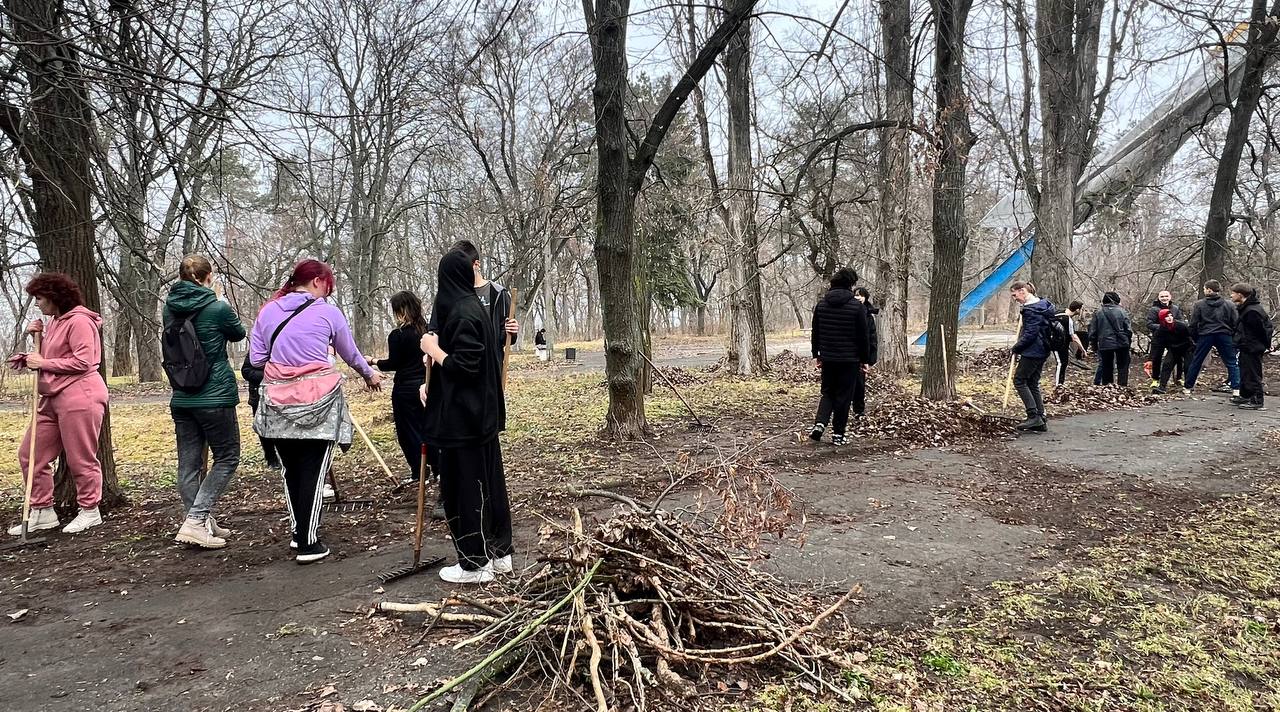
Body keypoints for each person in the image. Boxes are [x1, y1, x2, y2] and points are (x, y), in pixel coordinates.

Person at [248, 259, 382, 564]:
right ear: (318, 281)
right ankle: (309, 544)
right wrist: (369, 375)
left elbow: (256, 359)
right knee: (313, 471)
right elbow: (350, 353)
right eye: (328, 286)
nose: (327, 292)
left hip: (278, 403)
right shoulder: (328, 313)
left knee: (291, 471)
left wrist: (285, 361)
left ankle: (299, 534)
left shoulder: (268, 311)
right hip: (319, 402)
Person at [421, 249, 513, 584]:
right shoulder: (474, 307)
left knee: (464, 488)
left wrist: (434, 351)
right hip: (481, 416)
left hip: (464, 420)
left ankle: (474, 564)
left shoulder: (462, 313)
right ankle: (499, 554)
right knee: (489, 484)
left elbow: (466, 367)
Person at [5, 273, 109, 536]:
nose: (37, 303)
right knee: (31, 454)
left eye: (40, 298)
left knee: (80, 458)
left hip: (80, 395)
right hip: (51, 398)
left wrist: (44, 363)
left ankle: (90, 510)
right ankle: (42, 511)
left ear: (54, 298)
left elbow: (84, 361)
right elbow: (53, 357)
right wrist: (31, 350)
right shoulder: (53, 322)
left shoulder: (80, 321)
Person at [163, 256, 247, 549]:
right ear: (207, 277)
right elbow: (238, 333)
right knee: (227, 457)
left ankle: (198, 521)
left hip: (182, 396)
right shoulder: (217, 307)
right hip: (214, 396)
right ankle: (196, 521)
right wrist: (220, 299)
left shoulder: (169, 308)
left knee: (189, 465)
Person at [368, 291, 429, 478]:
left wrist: (373, 361)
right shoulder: (427, 331)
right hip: (427, 386)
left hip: (405, 389)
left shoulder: (398, 335)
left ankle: (419, 471)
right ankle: (437, 467)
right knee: (427, 427)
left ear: (401, 311)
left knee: (407, 432)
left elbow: (393, 364)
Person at [807, 268, 871, 445]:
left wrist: (817, 354)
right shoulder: (857, 307)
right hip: (850, 360)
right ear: (850, 284)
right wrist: (865, 360)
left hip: (828, 357)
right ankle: (838, 434)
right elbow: (863, 336)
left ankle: (820, 423)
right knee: (844, 396)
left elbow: (816, 332)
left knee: (828, 392)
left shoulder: (821, 305)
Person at [1009, 281, 1057, 432]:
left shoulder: (1032, 310)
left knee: (1019, 380)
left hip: (1033, 350)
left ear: (1022, 291)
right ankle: (1040, 417)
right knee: (1032, 382)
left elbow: (1031, 334)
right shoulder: (1043, 305)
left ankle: (1033, 416)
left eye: (1014, 295)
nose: (1014, 298)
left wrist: (1016, 347)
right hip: (1043, 349)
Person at [1185, 280, 1241, 396]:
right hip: (1224, 334)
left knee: (1196, 361)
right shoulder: (1229, 304)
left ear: (1209, 290)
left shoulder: (1199, 304)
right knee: (1231, 362)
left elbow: (1193, 324)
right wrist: (1233, 336)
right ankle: (1236, 388)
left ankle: (1188, 387)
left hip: (1206, 335)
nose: (1204, 291)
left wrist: (1195, 338)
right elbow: (1235, 322)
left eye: (1204, 289)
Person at [1230, 282, 1273, 410]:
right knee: (1245, 371)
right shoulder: (1247, 308)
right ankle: (1246, 395)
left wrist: (1263, 344)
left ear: (1240, 294)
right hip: (1246, 345)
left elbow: (1260, 331)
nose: (1231, 295)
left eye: (1233, 293)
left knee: (1253, 373)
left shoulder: (1252, 311)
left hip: (1252, 346)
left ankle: (1256, 400)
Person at [240, 354, 280, 469]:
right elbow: (246, 371)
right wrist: (270, 375)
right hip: (259, 397)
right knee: (263, 428)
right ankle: (271, 458)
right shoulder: (255, 351)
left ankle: (285, 456)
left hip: (282, 397)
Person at [1089, 292, 1133, 387]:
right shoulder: (1122, 311)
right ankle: (1122, 386)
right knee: (1123, 366)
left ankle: (1108, 387)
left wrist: (1094, 345)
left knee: (1107, 367)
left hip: (1104, 342)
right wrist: (1128, 341)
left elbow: (1093, 331)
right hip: (1122, 342)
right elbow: (1128, 329)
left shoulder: (1098, 313)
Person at [1145, 290, 1183, 389]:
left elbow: (1180, 321)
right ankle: (1155, 380)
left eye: (1166, 296)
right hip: (1159, 338)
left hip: (1173, 338)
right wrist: (1163, 327)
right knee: (1156, 358)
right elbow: (1149, 324)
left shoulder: (1175, 308)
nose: (1164, 298)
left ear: (1170, 297)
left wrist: (1174, 325)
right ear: (1158, 298)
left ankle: (1178, 378)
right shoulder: (1154, 310)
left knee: (1178, 358)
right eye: (1162, 296)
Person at [1150, 308, 1193, 395]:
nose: (1170, 318)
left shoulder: (1181, 326)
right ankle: (1162, 387)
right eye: (1167, 316)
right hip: (1173, 349)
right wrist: (1151, 359)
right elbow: (1157, 344)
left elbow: (1191, 336)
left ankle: (1188, 386)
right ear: (1162, 319)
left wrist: (1193, 348)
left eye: (1171, 315)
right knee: (1167, 364)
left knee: (1187, 366)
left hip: (1187, 348)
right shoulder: (1161, 330)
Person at [1052, 300, 1088, 388]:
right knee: (1061, 363)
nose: (1082, 312)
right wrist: (1083, 349)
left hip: (1056, 342)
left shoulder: (1058, 313)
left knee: (1063, 363)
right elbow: (1074, 337)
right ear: (1077, 310)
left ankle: (1060, 384)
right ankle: (1058, 386)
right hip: (1059, 344)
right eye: (1082, 309)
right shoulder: (1067, 319)